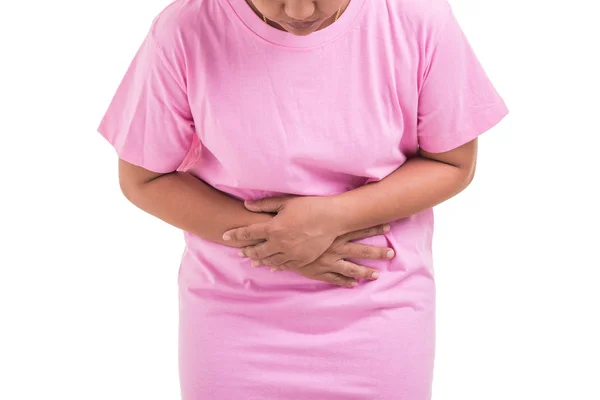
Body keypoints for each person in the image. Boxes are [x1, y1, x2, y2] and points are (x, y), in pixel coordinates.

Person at [97, 0, 508, 398]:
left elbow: (452, 163)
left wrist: (332, 218)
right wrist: (280, 238)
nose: (298, 12)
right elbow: (144, 178)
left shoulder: (419, 19)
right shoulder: (184, 30)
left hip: (380, 317)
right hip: (232, 318)